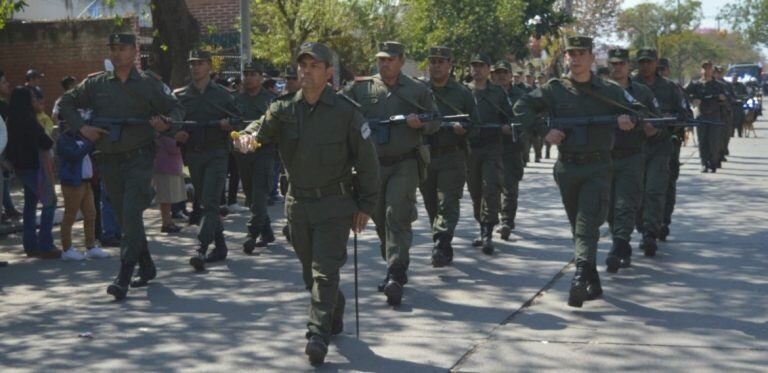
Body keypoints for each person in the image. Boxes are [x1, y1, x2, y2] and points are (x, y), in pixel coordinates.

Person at [234, 42, 379, 366]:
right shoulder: (283, 109)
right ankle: (333, 311)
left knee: (325, 272)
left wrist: (366, 206)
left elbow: (369, 162)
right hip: (298, 204)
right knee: (309, 275)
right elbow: (261, 129)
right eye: (303, 65)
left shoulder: (346, 112)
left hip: (335, 204)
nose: (307, 71)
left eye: (315, 65)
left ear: (329, 72)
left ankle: (317, 334)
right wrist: (247, 137)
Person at [514, 36, 641, 308]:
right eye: (572, 53)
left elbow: (639, 110)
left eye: (582, 53)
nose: (576, 58)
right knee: (579, 227)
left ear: (591, 58)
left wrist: (628, 120)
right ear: (566, 58)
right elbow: (521, 107)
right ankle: (593, 280)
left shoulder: (608, 90)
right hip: (567, 168)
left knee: (586, 223)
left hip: (598, 167)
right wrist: (542, 130)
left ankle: (580, 276)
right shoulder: (554, 89)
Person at [58, 33, 184, 300]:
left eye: (122, 48)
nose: (116, 54)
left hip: (139, 159)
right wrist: (83, 128)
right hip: (109, 160)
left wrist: (166, 124)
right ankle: (147, 266)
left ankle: (124, 274)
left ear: (134, 51)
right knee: (128, 218)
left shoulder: (149, 84)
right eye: (112, 48)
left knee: (130, 212)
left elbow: (175, 108)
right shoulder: (96, 83)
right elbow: (66, 104)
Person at [343, 41, 438, 306]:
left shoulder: (417, 90)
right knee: (380, 219)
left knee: (395, 213)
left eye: (390, 59)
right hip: (372, 165)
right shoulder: (362, 88)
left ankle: (397, 272)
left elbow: (436, 122)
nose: (384, 64)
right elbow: (340, 108)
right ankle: (393, 265)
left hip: (405, 163)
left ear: (401, 60)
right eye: (381, 59)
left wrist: (421, 123)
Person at [174, 49, 241, 272]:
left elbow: (239, 120)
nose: (195, 67)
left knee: (209, 202)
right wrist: (176, 134)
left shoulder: (223, 95)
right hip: (194, 154)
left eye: (200, 63)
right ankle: (220, 246)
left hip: (217, 153)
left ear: (209, 67)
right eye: (192, 63)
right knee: (205, 199)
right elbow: (170, 122)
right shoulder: (181, 95)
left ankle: (201, 247)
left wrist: (228, 124)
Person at [418, 46, 477, 267]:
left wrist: (465, 129)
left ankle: (441, 242)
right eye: (432, 61)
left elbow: (476, 124)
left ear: (450, 65)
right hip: (426, 155)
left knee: (448, 202)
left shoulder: (462, 93)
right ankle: (443, 241)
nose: (436, 66)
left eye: (441, 62)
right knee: (431, 204)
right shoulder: (420, 91)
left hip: (452, 156)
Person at [604, 48, 659, 271]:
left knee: (625, 203)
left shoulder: (643, 93)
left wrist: (651, 128)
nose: (617, 68)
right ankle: (622, 243)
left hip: (632, 156)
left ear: (628, 66)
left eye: (621, 64)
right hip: (605, 157)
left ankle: (618, 244)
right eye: (613, 64)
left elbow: (657, 122)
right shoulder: (599, 91)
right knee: (608, 206)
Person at [633, 48, 687, 255]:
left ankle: (650, 232)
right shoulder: (629, 86)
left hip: (661, 146)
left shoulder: (670, 88)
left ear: (657, 64)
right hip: (634, 147)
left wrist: (668, 120)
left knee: (655, 190)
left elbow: (685, 114)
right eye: (642, 62)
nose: (645, 65)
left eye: (649, 62)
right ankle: (642, 226)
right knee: (636, 191)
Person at [465, 53, 513, 254]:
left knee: (490, 188)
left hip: (492, 147)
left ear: (488, 69)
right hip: (469, 148)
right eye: (474, 66)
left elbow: (509, 118)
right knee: (475, 191)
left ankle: (487, 233)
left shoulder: (498, 93)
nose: (477, 70)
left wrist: (506, 127)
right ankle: (482, 225)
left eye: (482, 66)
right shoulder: (464, 92)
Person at [5, 86, 59, 259]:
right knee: (50, 201)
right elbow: (46, 142)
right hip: (35, 168)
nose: (35, 101)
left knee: (30, 205)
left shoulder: (11, 120)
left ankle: (30, 245)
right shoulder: (29, 121)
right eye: (32, 98)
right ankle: (45, 244)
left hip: (20, 168)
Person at [234, 62, 277, 253]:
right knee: (251, 196)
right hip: (243, 153)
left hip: (264, 152)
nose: (249, 77)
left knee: (259, 193)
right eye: (246, 73)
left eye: (253, 74)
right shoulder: (235, 99)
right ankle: (267, 232)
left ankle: (252, 234)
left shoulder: (272, 100)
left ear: (261, 77)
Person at [57, 121, 110, 260]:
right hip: (73, 183)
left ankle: (91, 246)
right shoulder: (63, 141)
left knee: (91, 214)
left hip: (87, 182)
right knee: (70, 215)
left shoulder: (81, 138)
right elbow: (74, 156)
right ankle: (67, 249)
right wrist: (90, 143)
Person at [490, 59, 526, 241]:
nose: (501, 76)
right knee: (489, 187)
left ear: (511, 76)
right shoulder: (486, 94)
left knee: (510, 186)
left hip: (512, 147)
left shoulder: (520, 95)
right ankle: (488, 222)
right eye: (498, 73)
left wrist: (514, 128)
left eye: (505, 73)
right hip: (489, 146)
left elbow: (526, 118)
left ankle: (506, 221)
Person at [684, 60, 727, 173]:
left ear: (712, 70)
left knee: (714, 141)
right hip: (701, 115)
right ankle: (704, 163)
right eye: (704, 68)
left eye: (708, 68)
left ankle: (713, 163)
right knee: (702, 141)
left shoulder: (719, 85)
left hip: (715, 116)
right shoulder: (695, 84)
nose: (706, 70)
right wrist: (693, 100)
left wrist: (723, 98)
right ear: (701, 70)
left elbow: (727, 100)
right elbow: (683, 93)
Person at [153, 134, 185, 234]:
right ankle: (166, 223)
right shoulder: (164, 136)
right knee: (165, 198)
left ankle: (168, 221)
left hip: (170, 167)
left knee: (168, 198)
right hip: (165, 168)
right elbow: (174, 148)